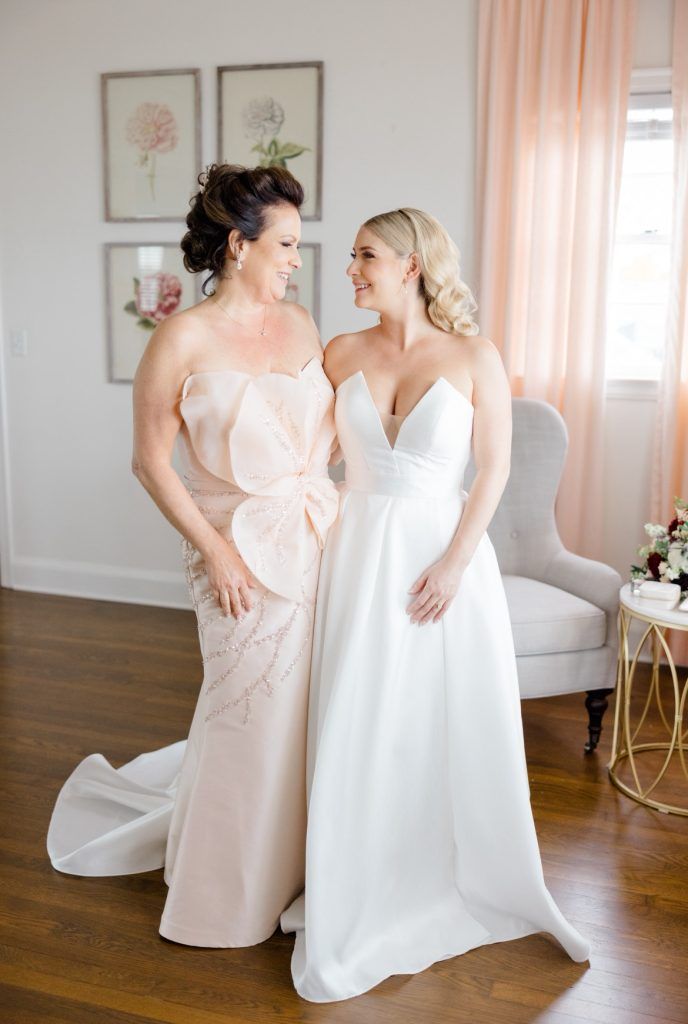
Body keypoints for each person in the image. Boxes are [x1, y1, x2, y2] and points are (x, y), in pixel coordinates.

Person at [281, 208, 591, 1001]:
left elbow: (493, 470)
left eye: (366, 256)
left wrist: (455, 563)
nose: (351, 269)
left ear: (411, 265)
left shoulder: (474, 355)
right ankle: (350, 869)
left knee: (432, 717)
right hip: (354, 550)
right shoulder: (340, 351)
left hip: (441, 557)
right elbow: (303, 453)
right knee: (357, 710)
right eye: (353, 257)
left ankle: (436, 864)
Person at [47, 164, 339, 948]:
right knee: (248, 715)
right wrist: (215, 553)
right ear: (239, 245)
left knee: (306, 714)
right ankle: (229, 891)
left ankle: (299, 866)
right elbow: (150, 462)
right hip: (232, 553)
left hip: (316, 541)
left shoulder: (303, 323)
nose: (296, 259)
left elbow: (320, 441)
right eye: (285, 244)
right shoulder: (181, 338)